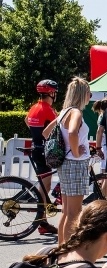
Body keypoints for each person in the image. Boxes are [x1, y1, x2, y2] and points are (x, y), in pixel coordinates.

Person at [40, 78, 92, 245]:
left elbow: (46, 132)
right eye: (88, 93)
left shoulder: (64, 111)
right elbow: (72, 133)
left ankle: (61, 249)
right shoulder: (76, 112)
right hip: (75, 164)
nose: (90, 97)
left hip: (65, 164)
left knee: (67, 211)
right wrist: (76, 152)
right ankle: (68, 253)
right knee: (74, 212)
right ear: (82, 94)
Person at [26, 80, 60, 235]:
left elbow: (27, 121)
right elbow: (58, 125)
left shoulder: (34, 107)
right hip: (44, 151)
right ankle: (42, 221)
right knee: (44, 187)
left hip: (36, 148)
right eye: (55, 92)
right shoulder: (48, 109)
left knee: (44, 186)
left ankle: (43, 219)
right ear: (51, 93)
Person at [91, 97, 107, 172]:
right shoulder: (104, 116)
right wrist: (98, 148)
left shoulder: (102, 115)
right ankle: (103, 182)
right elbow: (99, 132)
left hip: (105, 144)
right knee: (105, 166)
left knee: (104, 165)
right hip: (105, 144)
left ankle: (103, 181)